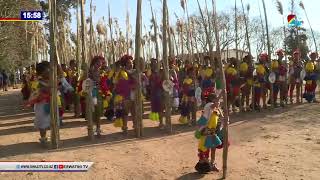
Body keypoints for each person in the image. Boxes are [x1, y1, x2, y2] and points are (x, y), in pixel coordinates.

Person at [194, 93, 226, 173]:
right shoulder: (208, 105)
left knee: (213, 148)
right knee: (204, 149)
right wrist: (221, 94)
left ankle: (212, 163)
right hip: (206, 131)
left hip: (213, 131)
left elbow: (221, 119)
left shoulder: (216, 109)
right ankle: (206, 165)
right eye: (216, 99)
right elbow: (214, 105)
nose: (218, 102)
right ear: (212, 99)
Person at [24, 62, 54, 146]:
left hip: (51, 103)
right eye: (49, 70)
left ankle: (53, 137)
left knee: (51, 121)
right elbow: (36, 93)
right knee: (43, 122)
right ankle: (43, 139)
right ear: (42, 72)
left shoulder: (52, 80)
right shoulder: (38, 82)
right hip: (41, 105)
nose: (51, 71)